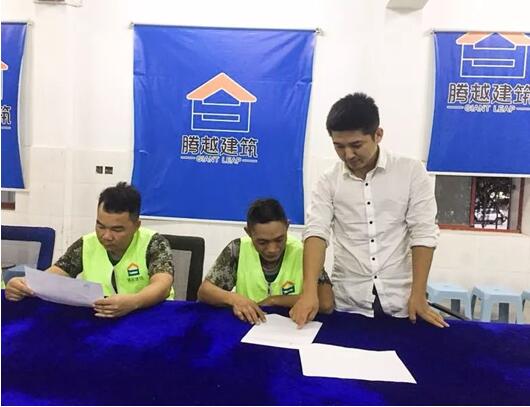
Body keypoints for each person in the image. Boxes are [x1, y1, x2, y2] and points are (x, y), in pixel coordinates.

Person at [290, 93, 448, 328]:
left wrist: (418, 294)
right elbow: (316, 233)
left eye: (356, 145)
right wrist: (309, 292)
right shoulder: (328, 181)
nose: (348, 155)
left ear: (378, 135)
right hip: (348, 299)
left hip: (402, 298)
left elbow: (423, 233)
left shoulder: (410, 172)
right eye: (339, 146)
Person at [5, 182, 174, 318]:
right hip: (101, 318)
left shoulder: (154, 243)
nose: (106, 236)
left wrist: (134, 301)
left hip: (146, 317)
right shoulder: (87, 243)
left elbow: (162, 285)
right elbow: (55, 274)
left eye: (117, 230)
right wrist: (24, 284)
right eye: (100, 226)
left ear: (136, 226)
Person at [197, 198, 334, 324]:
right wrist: (234, 299)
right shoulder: (237, 249)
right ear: (249, 232)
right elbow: (205, 292)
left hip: (292, 326)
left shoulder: (304, 253)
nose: (272, 249)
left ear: (287, 226)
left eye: (279, 240)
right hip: (249, 324)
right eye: (262, 242)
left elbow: (326, 302)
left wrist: (274, 300)